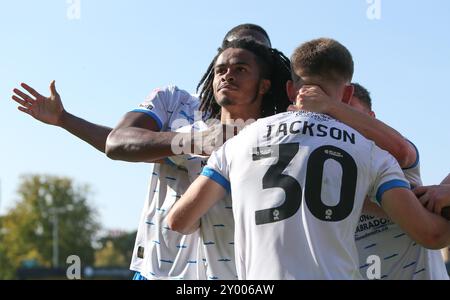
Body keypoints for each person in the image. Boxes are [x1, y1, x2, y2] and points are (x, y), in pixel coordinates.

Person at [11, 24, 290, 280]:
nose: (230, 73)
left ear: (265, 73)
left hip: (236, 273)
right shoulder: (175, 102)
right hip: (161, 268)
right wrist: (194, 141)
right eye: (225, 63)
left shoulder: (279, 129)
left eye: (244, 65)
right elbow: (119, 142)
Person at [167, 38, 450, 279]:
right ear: (347, 92)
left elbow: (178, 221)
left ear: (291, 89)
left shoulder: (240, 142)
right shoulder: (372, 152)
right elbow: (431, 235)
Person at [291, 82, 449, 279]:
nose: (340, 127)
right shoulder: (319, 174)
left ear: (372, 119)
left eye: (348, 115)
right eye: (331, 119)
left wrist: (330, 105)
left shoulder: (389, 157)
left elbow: (402, 151)